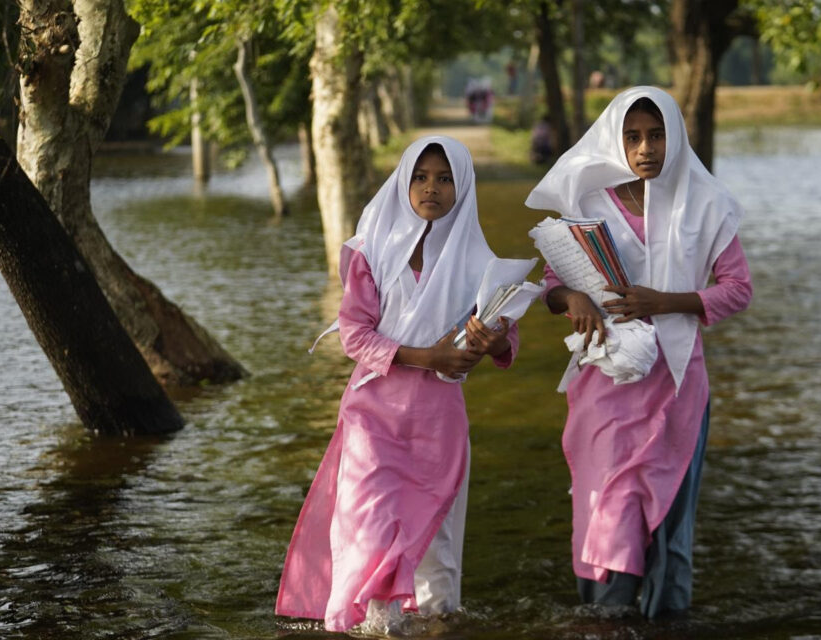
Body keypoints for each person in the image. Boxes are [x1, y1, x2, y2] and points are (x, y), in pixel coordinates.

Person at [524, 86, 752, 618]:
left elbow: (738, 288)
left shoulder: (706, 204)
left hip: (676, 385)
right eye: (633, 137)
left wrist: (664, 301)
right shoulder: (589, 206)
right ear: (616, 142)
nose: (645, 147)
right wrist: (572, 298)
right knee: (606, 507)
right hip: (606, 381)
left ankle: (667, 621)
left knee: (670, 518)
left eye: (656, 135)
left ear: (673, 138)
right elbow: (551, 286)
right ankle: (606, 619)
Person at [276, 136, 519, 633]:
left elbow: (505, 340)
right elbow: (353, 334)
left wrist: (488, 341)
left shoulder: (480, 263)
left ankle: (436, 625)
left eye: (446, 178)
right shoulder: (374, 253)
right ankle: (369, 625)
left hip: (439, 424)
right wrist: (426, 356)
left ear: (463, 188)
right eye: (421, 176)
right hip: (373, 418)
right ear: (404, 182)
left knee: (438, 553)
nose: (432, 187)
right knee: (370, 532)